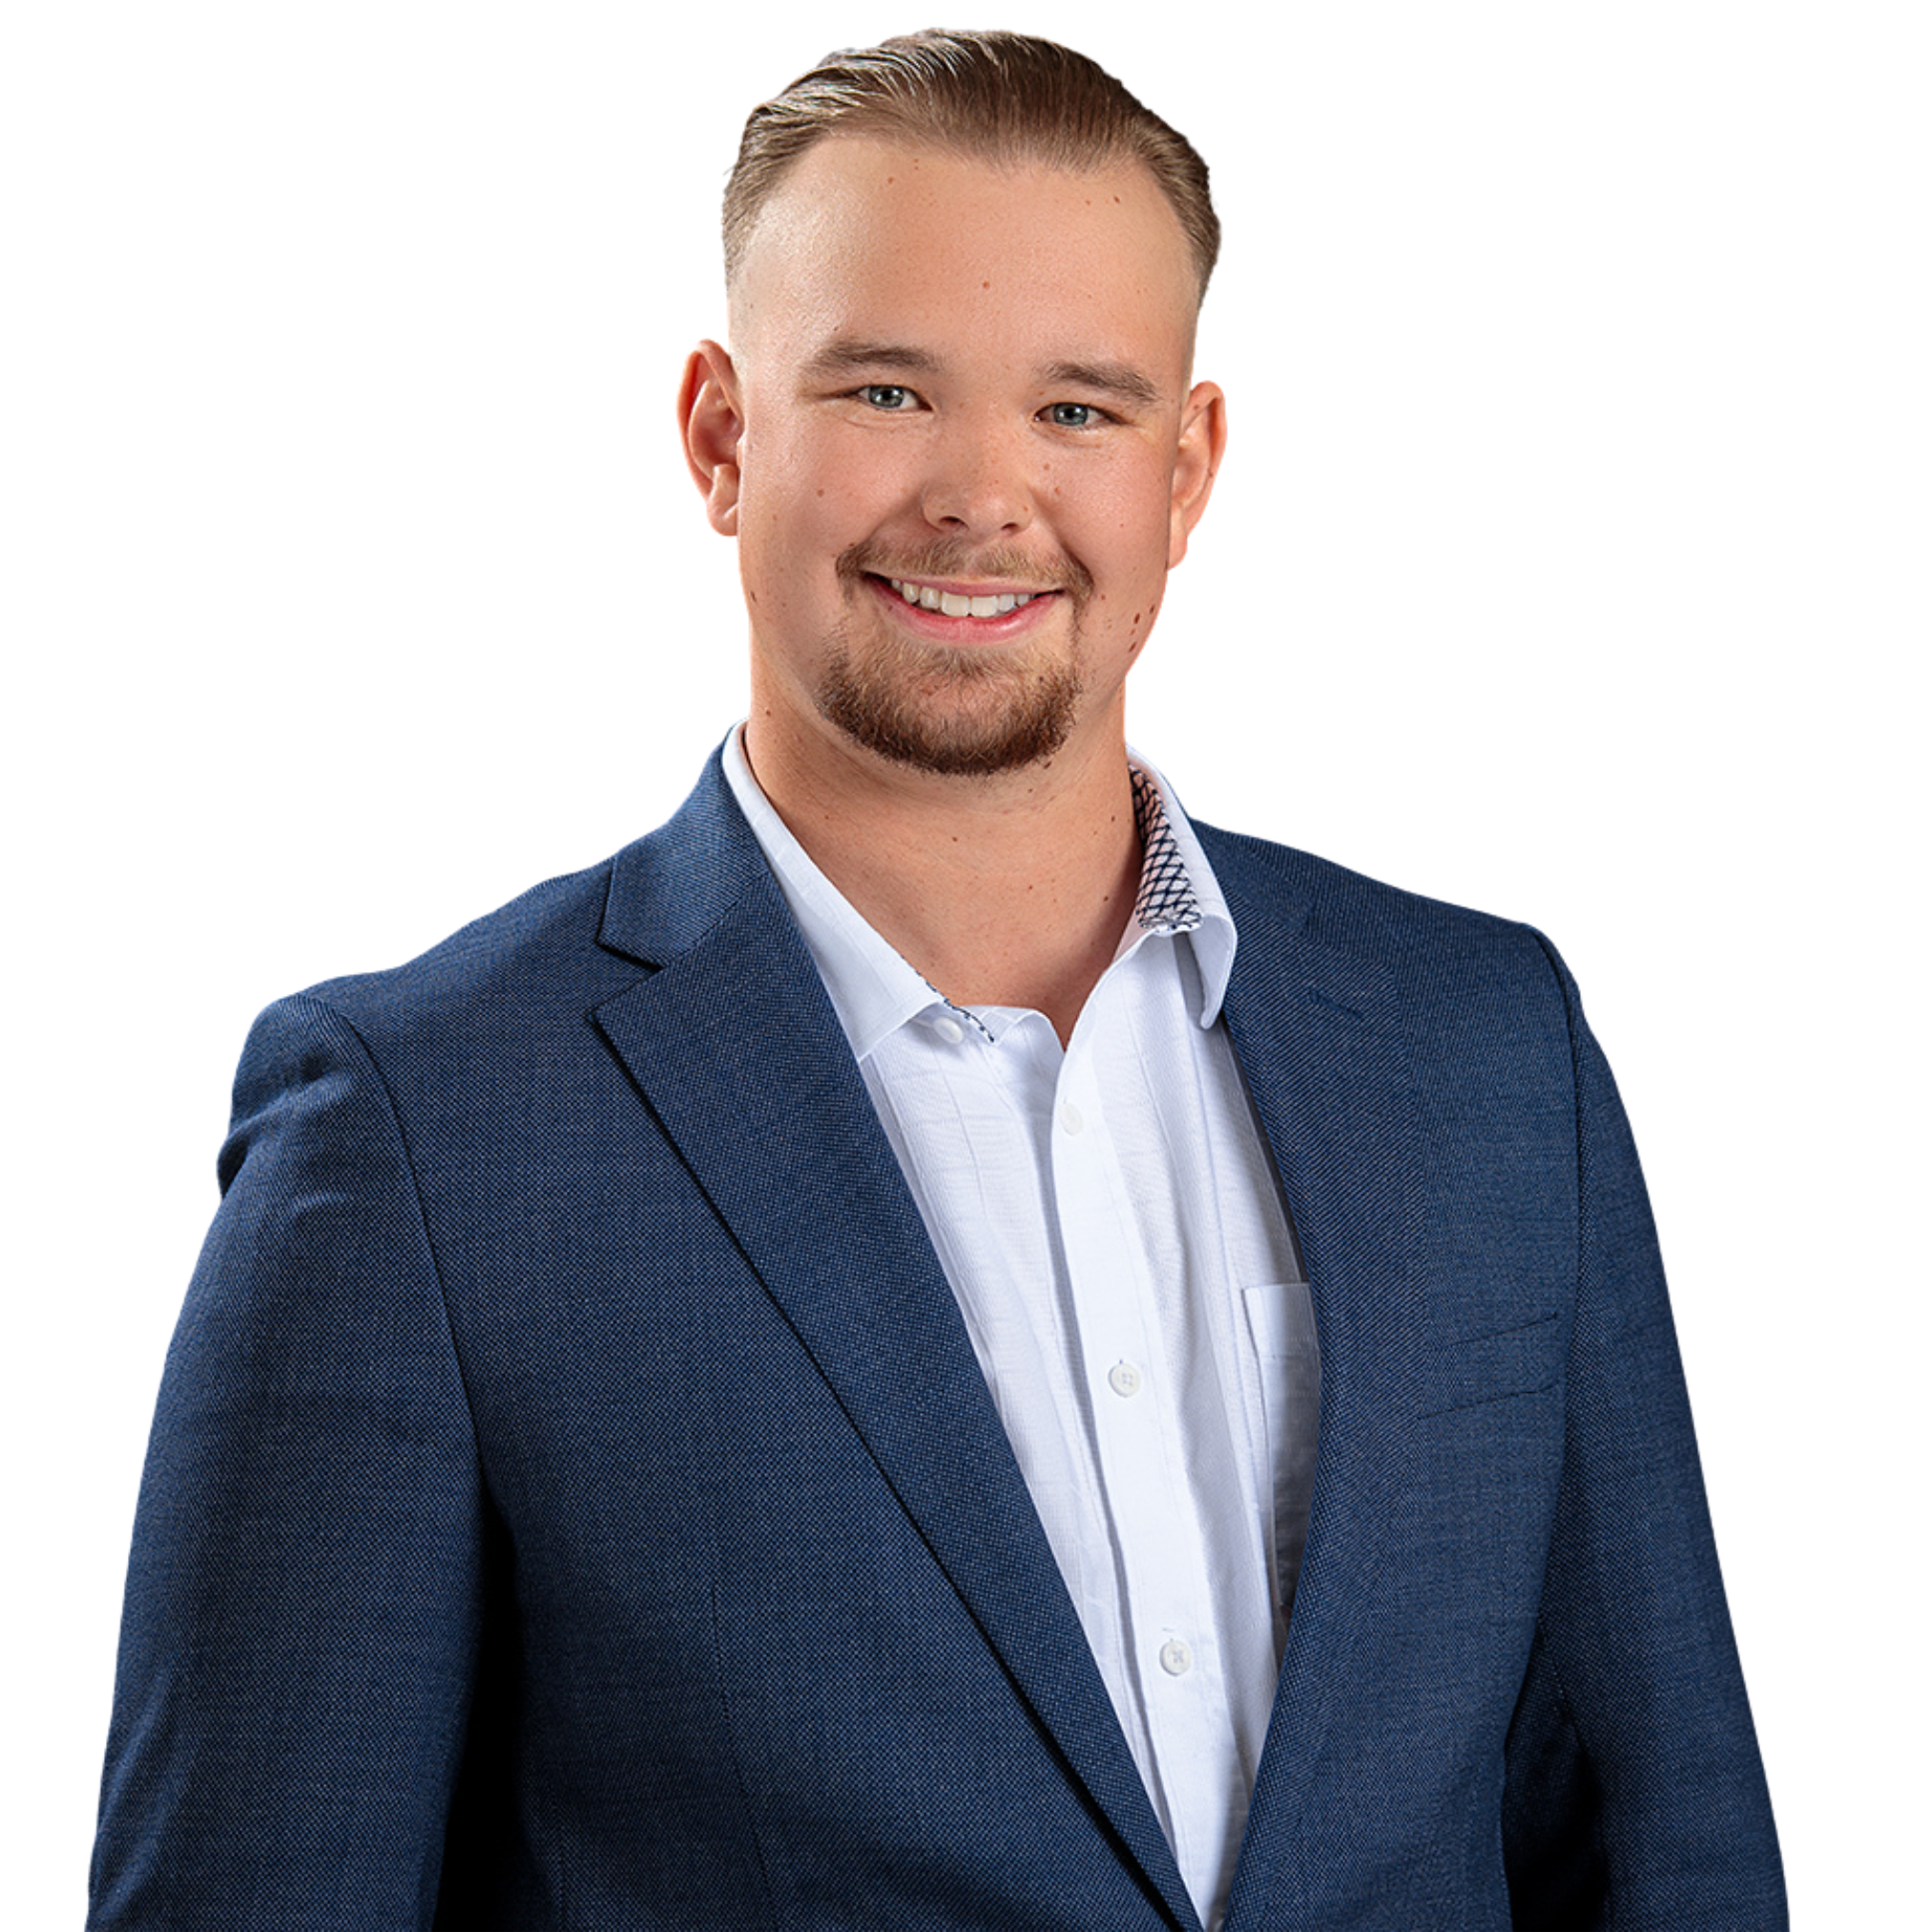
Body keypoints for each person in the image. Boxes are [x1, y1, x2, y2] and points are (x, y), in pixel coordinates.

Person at [89, 29, 1786, 1931]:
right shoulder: (419, 1137)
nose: (984, 495)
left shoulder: (1490, 1060)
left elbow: (1670, 1860)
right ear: (724, 437)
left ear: (1187, 464)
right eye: (888, 388)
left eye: (1079, 408)